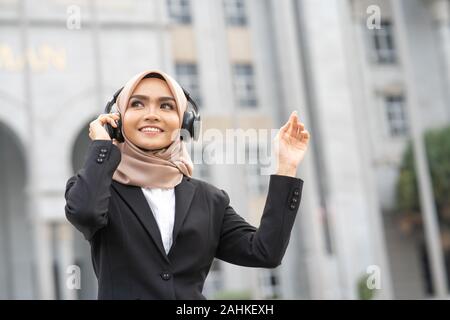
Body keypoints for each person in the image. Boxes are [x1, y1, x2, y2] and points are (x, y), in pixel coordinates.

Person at [64, 69, 310, 300]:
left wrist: (286, 167)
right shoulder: (98, 189)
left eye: (166, 106)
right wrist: (101, 145)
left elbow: (266, 251)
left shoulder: (210, 199)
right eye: (137, 103)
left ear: (185, 122)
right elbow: (85, 214)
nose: (152, 113)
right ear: (117, 120)